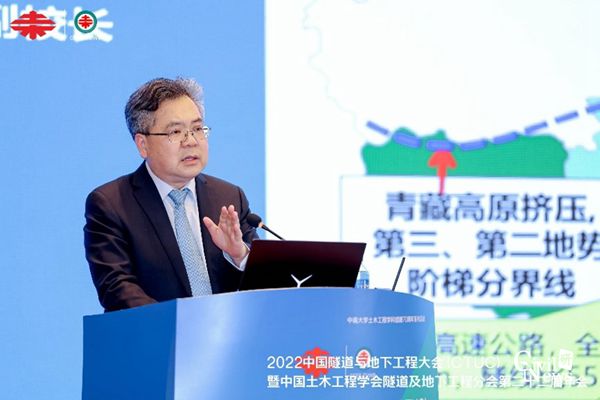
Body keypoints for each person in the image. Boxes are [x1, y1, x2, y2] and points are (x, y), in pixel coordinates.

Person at [84, 77, 258, 312]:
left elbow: (264, 285)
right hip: (155, 333)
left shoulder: (228, 197)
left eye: (197, 129)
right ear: (143, 144)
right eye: (176, 132)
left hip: (226, 333)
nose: (191, 141)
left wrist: (239, 255)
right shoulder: (111, 204)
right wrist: (182, 325)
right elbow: (116, 289)